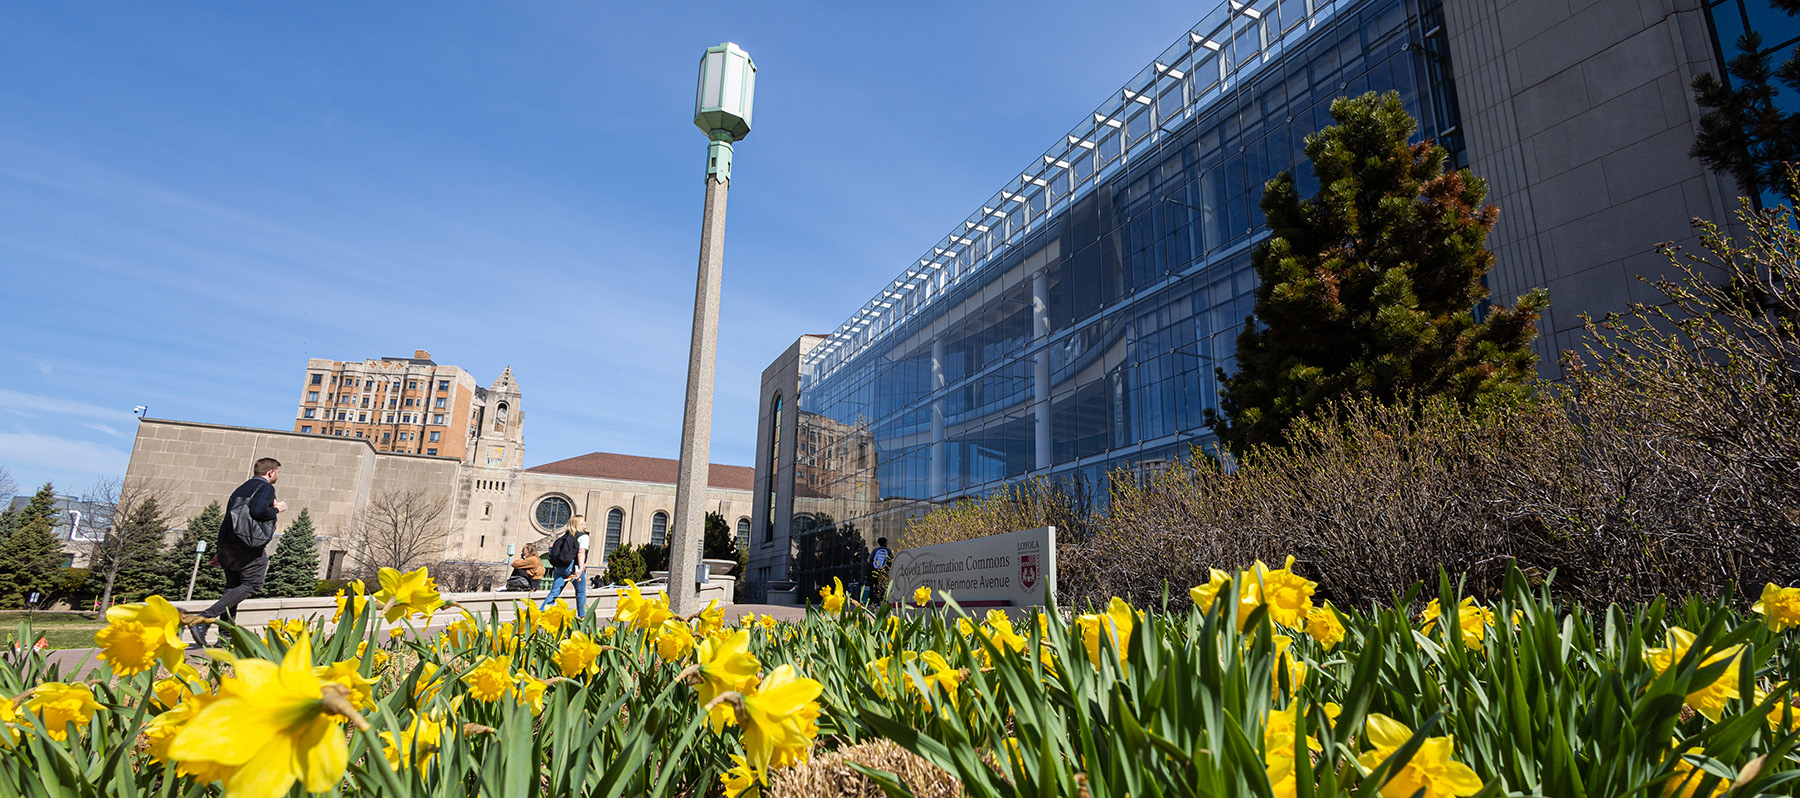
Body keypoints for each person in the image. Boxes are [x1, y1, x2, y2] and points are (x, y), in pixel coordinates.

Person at [185, 457, 286, 647]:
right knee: (253, 584)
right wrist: (277, 509)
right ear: (271, 472)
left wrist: (220, 550)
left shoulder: (241, 489)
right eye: (278, 472)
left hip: (229, 544)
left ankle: (225, 636)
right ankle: (203, 619)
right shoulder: (265, 488)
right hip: (248, 547)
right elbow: (258, 512)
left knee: (233, 589)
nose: (278, 476)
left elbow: (229, 520)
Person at [540, 515, 589, 617]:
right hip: (573, 566)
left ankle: (541, 614)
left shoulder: (566, 536)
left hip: (560, 566)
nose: (585, 523)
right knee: (580, 592)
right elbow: (581, 552)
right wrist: (581, 568)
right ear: (579, 524)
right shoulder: (583, 536)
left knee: (554, 592)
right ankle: (582, 616)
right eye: (583, 522)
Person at [868, 536, 894, 603]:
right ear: (885, 543)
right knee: (885, 586)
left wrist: (874, 568)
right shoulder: (888, 551)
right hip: (884, 571)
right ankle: (884, 600)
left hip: (876, 571)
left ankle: (876, 601)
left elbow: (871, 560)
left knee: (876, 586)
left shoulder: (875, 550)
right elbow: (891, 560)